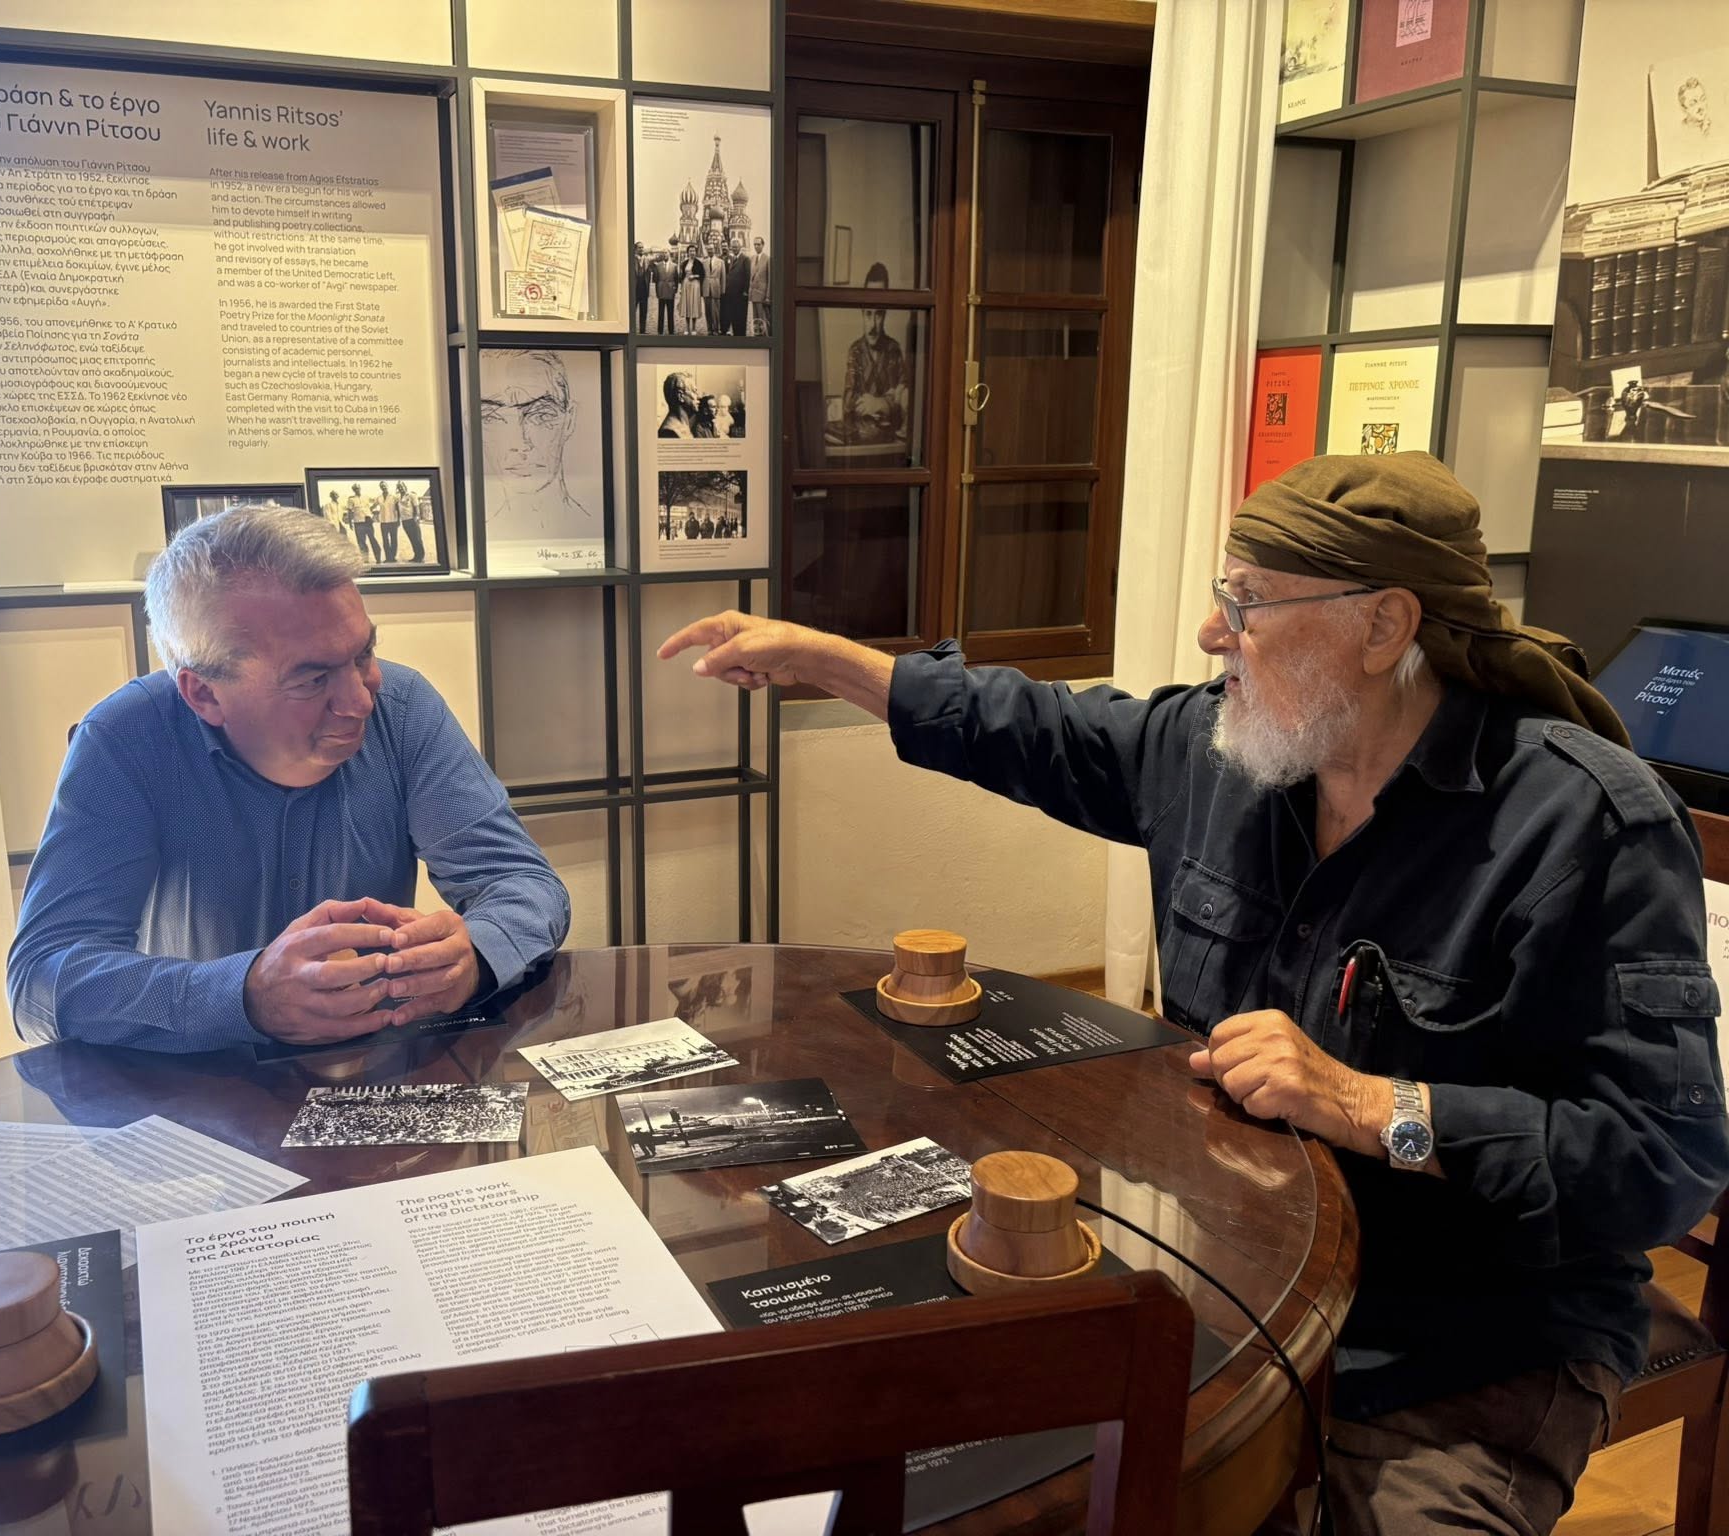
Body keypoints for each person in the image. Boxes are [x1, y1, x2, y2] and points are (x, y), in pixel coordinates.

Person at [657, 452, 1729, 1536]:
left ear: (1382, 625)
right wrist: (829, 660)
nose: (1214, 632)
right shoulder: (1228, 754)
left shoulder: (1586, 826)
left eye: (1247, 602)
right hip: (1236, 1296)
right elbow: (1039, 729)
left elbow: (1664, 1165)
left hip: (1458, 1351)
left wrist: (1373, 1105)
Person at [9, 503, 570, 1051]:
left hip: (372, 1068)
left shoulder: (402, 708)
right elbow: (40, 978)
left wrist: (474, 956)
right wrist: (243, 996)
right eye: (312, 680)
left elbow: (523, 883)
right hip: (194, 1079)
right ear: (204, 694)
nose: (359, 701)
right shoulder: (127, 738)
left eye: (363, 654)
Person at [481, 350, 594, 541]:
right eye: (492, 418)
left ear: (569, 420)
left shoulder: (595, 530)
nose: (520, 444)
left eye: (541, 415)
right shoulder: (475, 539)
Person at [843, 262, 908, 445]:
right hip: (862, 442)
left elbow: (905, 400)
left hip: (891, 443)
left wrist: (880, 404)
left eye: (878, 315)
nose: (872, 326)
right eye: (868, 314)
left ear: (885, 313)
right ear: (862, 313)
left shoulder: (894, 350)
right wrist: (889, 401)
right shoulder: (855, 351)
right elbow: (849, 402)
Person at [657, 370, 699, 438]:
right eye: (694, 391)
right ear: (680, 396)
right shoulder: (670, 431)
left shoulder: (684, 425)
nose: (698, 397)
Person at [394, 480, 427, 562]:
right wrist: (398, 520)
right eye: (399, 487)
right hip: (404, 521)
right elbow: (398, 509)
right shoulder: (398, 497)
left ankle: (421, 557)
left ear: (405, 486)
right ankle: (416, 556)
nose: (401, 488)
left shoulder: (411, 495)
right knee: (412, 539)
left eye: (402, 486)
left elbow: (416, 507)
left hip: (412, 520)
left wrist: (416, 518)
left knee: (417, 539)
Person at [678, 243, 706, 336]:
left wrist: (694, 276)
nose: (692, 252)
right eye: (690, 251)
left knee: (693, 306)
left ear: (695, 252)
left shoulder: (699, 263)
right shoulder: (684, 263)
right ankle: (687, 327)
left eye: (693, 251)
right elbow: (682, 276)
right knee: (687, 305)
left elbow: (702, 275)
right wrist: (681, 287)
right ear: (688, 252)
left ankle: (694, 327)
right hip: (686, 284)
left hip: (695, 285)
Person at [653, 239, 680, 336]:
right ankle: (660, 330)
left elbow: (676, 279)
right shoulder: (658, 266)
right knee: (661, 312)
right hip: (661, 291)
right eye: (663, 253)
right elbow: (655, 279)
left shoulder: (674, 266)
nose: (665, 254)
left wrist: (675, 290)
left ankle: (671, 330)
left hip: (670, 291)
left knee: (670, 312)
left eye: (666, 253)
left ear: (669, 254)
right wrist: (657, 291)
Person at [725, 244, 751, 338]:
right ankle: (736, 334)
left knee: (741, 316)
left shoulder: (745, 259)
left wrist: (745, 291)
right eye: (733, 247)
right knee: (734, 315)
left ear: (740, 247)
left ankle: (741, 336)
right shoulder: (732, 259)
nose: (734, 249)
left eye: (736, 247)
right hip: (732, 293)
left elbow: (748, 276)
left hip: (741, 293)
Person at [703, 245, 727, 335]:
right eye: (708, 249)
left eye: (711, 249)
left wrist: (722, 290)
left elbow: (723, 277)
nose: (710, 251)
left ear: (715, 250)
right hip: (706, 288)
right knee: (707, 310)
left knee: (716, 310)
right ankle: (709, 329)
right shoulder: (704, 262)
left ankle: (716, 329)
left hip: (716, 288)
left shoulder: (720, 262)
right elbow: (702, 276)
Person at [749, 237, 770, 336]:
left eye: (758, 244)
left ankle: (764, 338)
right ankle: (757, 336)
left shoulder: (767, 259)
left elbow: (769, 279)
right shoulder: (752, 258)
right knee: (755, 318)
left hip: (762, 293)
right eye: (755, 244)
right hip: (754, 293)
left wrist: (768, 296)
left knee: (763, 319)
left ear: (763, 245)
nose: (756, 246)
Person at [631, 240, 652, 332]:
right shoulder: (631, 260)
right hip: (634, 290)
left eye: (642, 247)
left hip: (644, 290)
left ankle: (642, 331)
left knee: (644, 311)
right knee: (632, 312)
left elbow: (649, 274)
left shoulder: (647, 260)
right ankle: (631, 330)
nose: (641, 249)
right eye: (639, 247)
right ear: (635, 249)